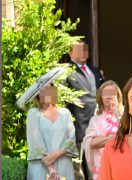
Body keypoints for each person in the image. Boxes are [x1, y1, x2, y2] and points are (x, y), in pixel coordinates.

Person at [66, 41, 104, 179]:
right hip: (79, 126)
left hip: (98, 126)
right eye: (78, 49)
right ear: (69, 52)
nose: (83, 52)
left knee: (97, 166)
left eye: (85, 49)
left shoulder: (95, 70)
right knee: (82, 170)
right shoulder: (66, 72)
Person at [26, 85, 78, 180]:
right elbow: (36, 143)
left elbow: (71, 139)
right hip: (42, 166)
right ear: (38, 94)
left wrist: (56, 154)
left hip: (64, 164)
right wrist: (51, 169)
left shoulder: (65, 113)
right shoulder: (33, 114)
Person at [83, 80, 124, 180]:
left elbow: (129, 137)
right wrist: (114, 137)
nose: (108, 97)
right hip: (101, 166)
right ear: (100, 97)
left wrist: (117, 114)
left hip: (122, 166)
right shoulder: (95, 119)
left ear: (118, 96)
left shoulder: (126, 116)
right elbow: (90, 143)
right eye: (105, 94)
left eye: (112, 94)